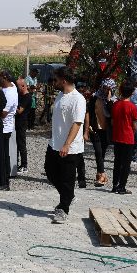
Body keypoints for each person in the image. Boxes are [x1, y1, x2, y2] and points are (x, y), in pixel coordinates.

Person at [45, 68, 86, 224]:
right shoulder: (61, 95)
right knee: (50, 172)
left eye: (56, 80)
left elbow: (77, 123)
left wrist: (67, 144)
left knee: (67, 179)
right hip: (54, 144)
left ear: (64, 80)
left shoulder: (78, 99)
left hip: (70, 147)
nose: (53, 83)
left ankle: (63, 209)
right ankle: (69, 196)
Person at [111, 82, 137, 194]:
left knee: (117, 162)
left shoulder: (116, 104)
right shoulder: (132, 107)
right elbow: (134, 125)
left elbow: (113, 122)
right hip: (128, 137)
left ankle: (114, 185)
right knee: (126, 164)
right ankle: (122, 186)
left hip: (117, 136)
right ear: (132, 93)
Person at [87, 78, 115, 187]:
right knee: (98, 151)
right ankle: (102, 175)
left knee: (102, 152)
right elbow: (88, 111)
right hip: (95, 129)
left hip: (107, 130)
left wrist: (108, 100)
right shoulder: (95, 97)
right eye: (104, 87)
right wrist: (87, 127)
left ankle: (99, 172)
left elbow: (112, 113)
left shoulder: (114, 100)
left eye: (108, 89)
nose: (105, 90)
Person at [0, 71, 18, 185]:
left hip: (4, 127)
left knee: (3, 154)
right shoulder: (10, 87)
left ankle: (4, 180)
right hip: (3, 126)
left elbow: (3, 113)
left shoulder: (9, 93)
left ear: (5, 78)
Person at [14, 78, 30, 173]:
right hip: (16, 123)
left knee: (21, 144)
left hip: (21, 124)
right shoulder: (19, 95)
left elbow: (20, 110)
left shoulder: (27, 97)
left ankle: (24, 165)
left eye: (18, 86)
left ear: (23, 86)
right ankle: (15, 162)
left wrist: (11, 104)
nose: (16, 88)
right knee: (16, 144)